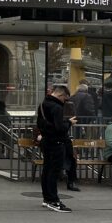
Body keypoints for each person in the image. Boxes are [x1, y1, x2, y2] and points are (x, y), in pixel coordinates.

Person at [36, 84, 74, 212]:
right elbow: (60, 128)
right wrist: (69, 123)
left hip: (46, 141)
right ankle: (54, 200)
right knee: (54, 172)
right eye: (65, 99)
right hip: (57, 142)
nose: (65, 101)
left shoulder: (42, 105)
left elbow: (39, 123)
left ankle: (47, 198)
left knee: (47, 170)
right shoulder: (57, 107)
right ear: (61, 95)